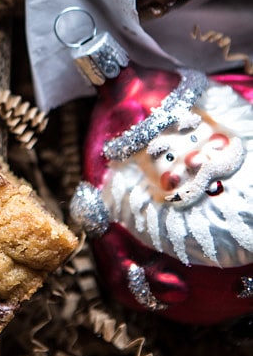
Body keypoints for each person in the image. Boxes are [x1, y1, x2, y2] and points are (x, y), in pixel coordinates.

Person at [71, 67, 253, 326]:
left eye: (194, 135)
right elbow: (123, 278)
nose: (195, 159)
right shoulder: (148, 234)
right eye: (167, 157)